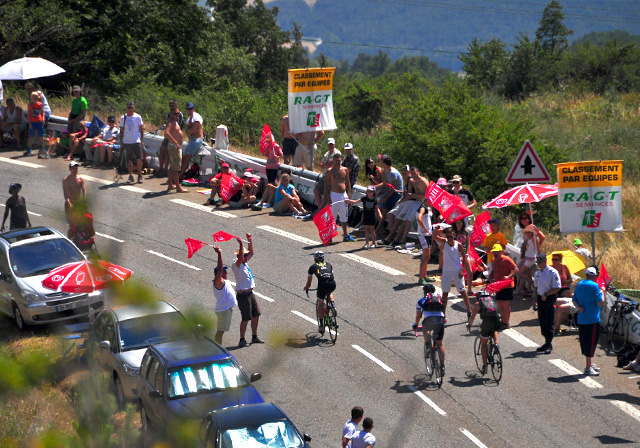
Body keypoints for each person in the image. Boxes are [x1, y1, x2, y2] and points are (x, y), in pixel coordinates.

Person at [231, 234, 263, 347]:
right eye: (244, 255)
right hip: (243, 295)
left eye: (245, 255)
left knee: (256, 314)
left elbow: (251, 253)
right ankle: (242, 339)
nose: (246, 256)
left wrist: (250, 241)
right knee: (245, 318)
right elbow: (240, 258)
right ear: (240, 255)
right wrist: (240, 244)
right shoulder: (236, 264)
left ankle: (254, 336)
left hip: (250, 293)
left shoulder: (244, 263)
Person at [383, 166, 428, 247]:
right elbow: (410, 192)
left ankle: (402, 240)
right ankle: (397, 240)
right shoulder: (413, 181)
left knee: (407, 220)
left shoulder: (423, 181)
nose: (414, 175)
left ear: (418, 172)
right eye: (412, 174)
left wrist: (414, 195)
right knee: (402, 219)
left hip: (421, 203)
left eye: (415, 173)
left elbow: (427, 195)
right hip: (415, 202)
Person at [572, 266, 604, 376]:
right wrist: (602, 292)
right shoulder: (594, 286)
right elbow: (600, 303)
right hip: (592, 320)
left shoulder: (580, 284)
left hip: (582, 319)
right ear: (595, 276)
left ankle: (589, 364)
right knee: (591, 343)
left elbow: (574, 300)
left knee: (585, 343)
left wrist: (579, 308)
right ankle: (587, 367)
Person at [439, 227, 472, 319]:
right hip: (446, 271)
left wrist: (462, 270)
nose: (449, 238)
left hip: (457, 270)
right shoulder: (444, 243)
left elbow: (464, 258)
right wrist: (440, 230)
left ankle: (469, 311)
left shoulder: (459, 245)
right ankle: (443, 314)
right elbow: (434, 236)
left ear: (454, 236)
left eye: (451, 236)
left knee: (462, 291)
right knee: (445, 293)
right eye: (448, 237)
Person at [413, 284, 446, 377]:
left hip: (429, 321)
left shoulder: (421, 301)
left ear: (424, 292)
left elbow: (418, 316)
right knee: (440, 344)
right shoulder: (438, 299)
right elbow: (443, 310)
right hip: (440, 321)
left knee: (425, 328)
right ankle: (442, 366)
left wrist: (415, 324)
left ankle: (428, 345)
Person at [466, 290, 501, 375]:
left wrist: (469, 324)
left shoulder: (477, 304)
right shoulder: (492, 302)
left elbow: (473, 316)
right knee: (494, 330)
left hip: (486, 323)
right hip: (496, 321)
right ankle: (496, 344)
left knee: (484, 344)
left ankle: (485, 365)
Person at [533, 253, 561, 354]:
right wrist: (534, 300)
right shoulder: (538, 273)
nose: (539, 264)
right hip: (541, 299)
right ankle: (546, 341)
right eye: (538, 262)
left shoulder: (553, 272)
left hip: (549, 299)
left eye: (540, 262)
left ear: (545, 261)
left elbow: (557, 287)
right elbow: (535, 287)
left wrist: (547, 294)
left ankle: (549, 343)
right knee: (542, 322)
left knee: (549, 322)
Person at [304, 251, 337, 335]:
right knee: (329, 293)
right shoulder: (329, 264)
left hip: (322, 285)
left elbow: (309, 282)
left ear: (315, 259)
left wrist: (307, 288)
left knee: (320, 303)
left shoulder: (312, 267)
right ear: (323, 258)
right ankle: (333, 305)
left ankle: (321, 325)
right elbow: (331, 275)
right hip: (332, 283)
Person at [325, 152, 354, 242]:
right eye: (336, 160)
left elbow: (348, 182)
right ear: (333, 161)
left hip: (343, 195)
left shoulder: (345, 170)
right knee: (332, 216)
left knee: (343, 216)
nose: (338, 162)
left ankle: (345, 235)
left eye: (339, 160)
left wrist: (348, 195)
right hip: (334, 195)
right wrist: (328, 198)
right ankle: (329, 236)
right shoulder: (329, 171)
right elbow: (326, 185)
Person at [488, 244, 518, 329]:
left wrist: (509, 276)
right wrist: (491, 277)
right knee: (499, 304)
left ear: (501, 251)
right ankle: (503, 321)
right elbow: (493, 270)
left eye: (497, 252)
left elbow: (516, 269)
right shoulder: (493, 260)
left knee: (505, 305)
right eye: (494, 252)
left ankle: (506, 322)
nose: (495, 253)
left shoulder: (507, 260)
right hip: (498, 285)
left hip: (507, 285)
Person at [212, 246, 237, 345]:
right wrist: (219, 254)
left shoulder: (225, 281)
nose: (226, 272)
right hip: (223, 310)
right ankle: (218, 349)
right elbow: (219, 271)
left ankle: (218, 348)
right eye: (224, 271)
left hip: (226, 309)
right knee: (220, 332)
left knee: (221, 331)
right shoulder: (218, 282)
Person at [374, 155, 403, 238]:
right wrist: (374, 188)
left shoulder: (392, 173)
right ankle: (381, 229)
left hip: (396, 193)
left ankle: (378, 230)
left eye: (380, 160)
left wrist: (385, 198)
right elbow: (385, 183)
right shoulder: (386, 171)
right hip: (390, 192)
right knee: (378, 206)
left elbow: (393, 189)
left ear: (384, 162)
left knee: (383, 210)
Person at [516, 224, 545, 297]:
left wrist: (540, 255)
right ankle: (530, 288)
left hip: (531, 259)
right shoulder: (528, 238)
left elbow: (537, 247)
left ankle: (531, 282)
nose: (527, 233)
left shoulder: (533, 238)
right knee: (528, 273)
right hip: (527, 258)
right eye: (527, 232)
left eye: (529, 232)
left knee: (520, 273)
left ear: (532, 232)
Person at [119, 101, 145, 184]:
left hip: (136, 140)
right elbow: (121, 130)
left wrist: (142, 140)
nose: (130, 109)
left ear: (134, 108)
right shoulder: (123, 118)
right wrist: (122, 141)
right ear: (127, 108)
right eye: (129, 108)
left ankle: (140, 174)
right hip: (127, 141)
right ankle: (131, 175)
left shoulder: (138, 117)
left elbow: (141, 129)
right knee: (129, 159)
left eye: (132, 108)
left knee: (139, 158)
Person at [157, 100, 183, 177]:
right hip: (169, 135)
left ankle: (165, 170)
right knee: (162, 150)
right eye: (170, 105)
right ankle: (161, 168)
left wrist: (176, 140)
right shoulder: (170, 115)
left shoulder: (179, 115)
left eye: (173, 105)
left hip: (174, 136)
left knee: (168, 153)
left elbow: (179, 126)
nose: (171, 106)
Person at [164, 109, 187, 193]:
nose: (177, 115)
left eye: (178, 113)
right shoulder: (170, 122)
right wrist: (176, 142)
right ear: (171, 114)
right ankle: (178, 187)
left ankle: (170, 184)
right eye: (175, 113)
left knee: (172, 166)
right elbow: (166, 133)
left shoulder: (175, 122)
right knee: (176, 168)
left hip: (175, 146)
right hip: (174, 147)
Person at [181, 102, 203, 180]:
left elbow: (193, 130)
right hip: (191, 140)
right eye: (188, 109)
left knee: (187, 157)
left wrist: (190, 130)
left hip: (197, 139)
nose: (189, 110)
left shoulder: (197, 117)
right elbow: (188, 131)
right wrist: (190, 131)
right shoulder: (188, 120)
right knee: (184, 157)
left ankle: (180, 175)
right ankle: (181, 173)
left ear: (193, 109)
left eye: (191, 109)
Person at [62, 161, 87, 227]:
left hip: (78, 204)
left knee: (80, 223)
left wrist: (84, 201)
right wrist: (69, 203)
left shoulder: (81, 179)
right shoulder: (66, 180)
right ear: (70, 169)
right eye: (73, 169)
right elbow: (65, 193)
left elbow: (84, 191)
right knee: (71, 224)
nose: (75, 170)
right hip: (70, 204)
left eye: (76, 168)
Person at [417, 204, 436, 284]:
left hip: (427, 235)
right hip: (423, 235)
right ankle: (421, 278)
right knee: (425, 258)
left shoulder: (428, 208)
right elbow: (419, 219)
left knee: (427, 257)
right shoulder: (423, 208)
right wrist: (425, 229)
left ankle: (424, 275)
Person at [26, 91, 45, 157]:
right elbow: (28, 114)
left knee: (41, 135)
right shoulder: (30, 105)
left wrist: (43, 119)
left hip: (39, 121)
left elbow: (43, 112)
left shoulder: (40, 104)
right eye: (34, 97)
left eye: (36, 97)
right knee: (31, 136)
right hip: (32, 121)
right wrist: (29, 123)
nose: (35, 98)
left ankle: (43, 147)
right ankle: (29, 148)